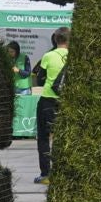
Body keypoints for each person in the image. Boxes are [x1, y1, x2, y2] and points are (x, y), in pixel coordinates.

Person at [32, 28, 70, 185]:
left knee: (43, 137)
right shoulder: (75, 57)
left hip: (48, 99)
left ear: (55, 39)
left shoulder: (49, 56)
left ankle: (46, 174)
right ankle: (64, 173)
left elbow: (39, 78)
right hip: (66, 101)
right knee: (65, 137)